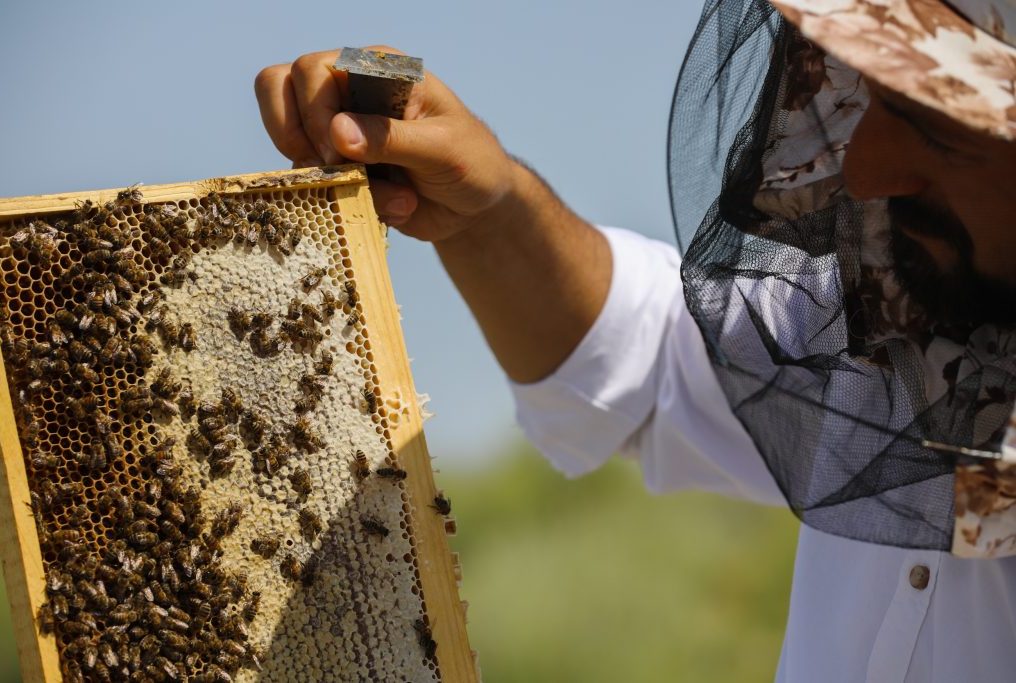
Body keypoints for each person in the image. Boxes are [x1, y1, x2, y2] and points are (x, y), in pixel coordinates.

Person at [254, 0, 1016, 680]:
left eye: (938, 126)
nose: (867, 166)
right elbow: (653, 362)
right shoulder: (905, 314)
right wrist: (488, 212)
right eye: (875, 95)